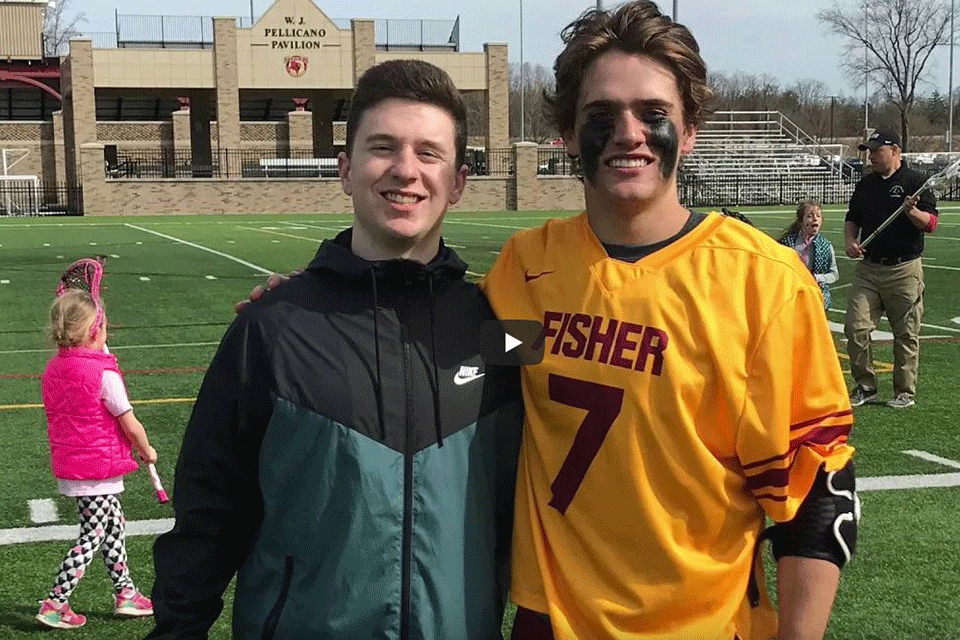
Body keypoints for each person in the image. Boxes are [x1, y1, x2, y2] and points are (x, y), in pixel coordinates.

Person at [482, 4, 857, 639]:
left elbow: (814, 492)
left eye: (653, 115)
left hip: (706, 626)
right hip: (551, 623)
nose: (629, 133)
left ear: (687, 131)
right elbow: (471, 357)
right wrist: (322, 296)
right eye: (602, 118)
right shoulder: (529, 269)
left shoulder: (761, 283)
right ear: (568, 135)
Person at [146, 59, 522, 640]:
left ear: (458, 181)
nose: (405, 170)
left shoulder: (498, 329)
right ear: (345, 170)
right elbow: (208, 516)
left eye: (429, 153)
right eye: (382, 147)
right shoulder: (271, 329)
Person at [38, 263, 157, 629]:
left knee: (112, 526)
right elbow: (128, 422)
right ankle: (56, 602)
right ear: (96, 331)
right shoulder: (105, 375)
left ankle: (126, 593)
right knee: (93, 534)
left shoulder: (55, 369)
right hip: (97, 469)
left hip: (75, 463)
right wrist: (147, 449)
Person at [844, 128, 938, 409]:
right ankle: (865, 385)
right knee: (855, 326)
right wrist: (850, 242)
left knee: (906, 333)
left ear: (895, 151)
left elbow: (931, 223)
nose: (871, 156)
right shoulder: (866, 185)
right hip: (869, 268)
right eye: (869, 151)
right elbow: (853, 219)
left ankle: (904, 391)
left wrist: (912, 212)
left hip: (904, 269)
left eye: (876, 150)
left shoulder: (916, 182)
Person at [778, 200, 839, 310]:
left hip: (816, 299)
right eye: (810, 216)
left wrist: (818, 278)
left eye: (818, 216)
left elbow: (834, 274)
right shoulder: (788, 243)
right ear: (801, 220)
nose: (815, 219)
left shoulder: (826, 245)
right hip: (791, 296)